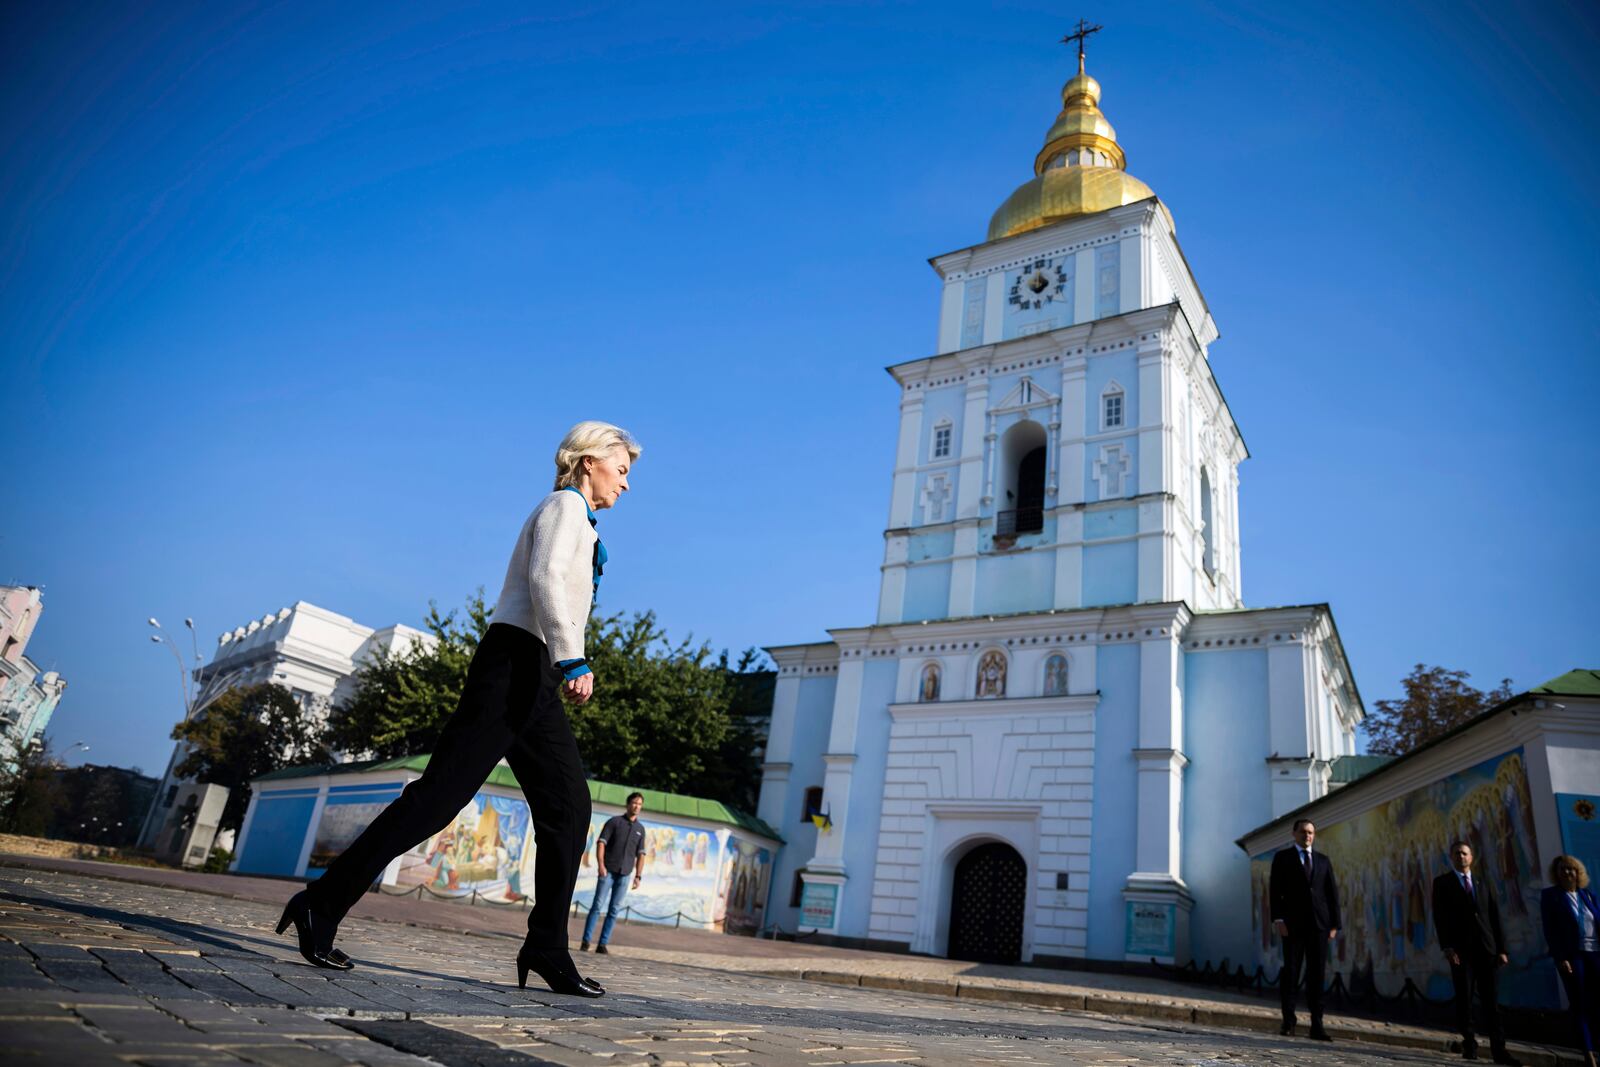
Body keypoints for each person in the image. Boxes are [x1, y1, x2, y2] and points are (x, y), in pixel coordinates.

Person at [275, 421, 639, 999]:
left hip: (537, 674)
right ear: (589, 460)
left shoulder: (580, 517)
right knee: (437, 800)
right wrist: (574, 659)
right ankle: (321, 902)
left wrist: (559, 664)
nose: (625, 484)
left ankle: (546, 946)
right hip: (516, 663)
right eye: (621, 470)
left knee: (569, 807)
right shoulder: (563, 506)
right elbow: (545, 578)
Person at [1433, 840, 1521, 1065]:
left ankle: (1499, 1050)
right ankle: (1469, 1044)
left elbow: (1494, 916)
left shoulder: (1483, 881)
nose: (1461, 857)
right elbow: (1440, 918)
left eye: (1464, 853)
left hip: (1487, 950)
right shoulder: (1442, 883)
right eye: (1457, 854)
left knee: (1492, 1002)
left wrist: (1501, 948)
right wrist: (1447, 947)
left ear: (1471, 857)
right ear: (1451, 858)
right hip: (1460, 953)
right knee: (1465, 999)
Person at [1270, 818, 1340, 1041]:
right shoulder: (1283, 858)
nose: (1307, 836)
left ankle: (1316, 1025)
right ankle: (1288, 1021)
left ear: (1314, 835)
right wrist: (1278, 919)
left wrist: (1335, 924)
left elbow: (1332, 894)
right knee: (1291, 973)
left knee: (1316, 975)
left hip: (1319, 927)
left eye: (1310, 832)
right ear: (1294, 834)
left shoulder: (1323, 861)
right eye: (1303, 832)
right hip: (1292, 926)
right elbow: (1275, 890)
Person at [1541, 855, 1600, 1067]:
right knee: (1580, 1004)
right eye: (1563, 869)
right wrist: (1560, 957)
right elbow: (1550, 929)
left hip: (1595, 953)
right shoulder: (1551, 896)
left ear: (1578, 873)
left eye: (1571, 869)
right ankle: (1588, 1053)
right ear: (1556, 873)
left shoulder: (1589, 896)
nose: (1567, 872)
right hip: (1573, 957)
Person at [580, 792, 647, 953]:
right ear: (628, 804)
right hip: (607, 871)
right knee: (597, 906)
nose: (636, 806)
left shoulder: (640, 829)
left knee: (614, 910)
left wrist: (638, 876)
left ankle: (602, 944)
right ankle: (586, 941)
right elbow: (601, 843)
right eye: (634, 803)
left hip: (625, 874)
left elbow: (641, 854)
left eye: (639, 804)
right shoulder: (614, 822)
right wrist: (601, 865)